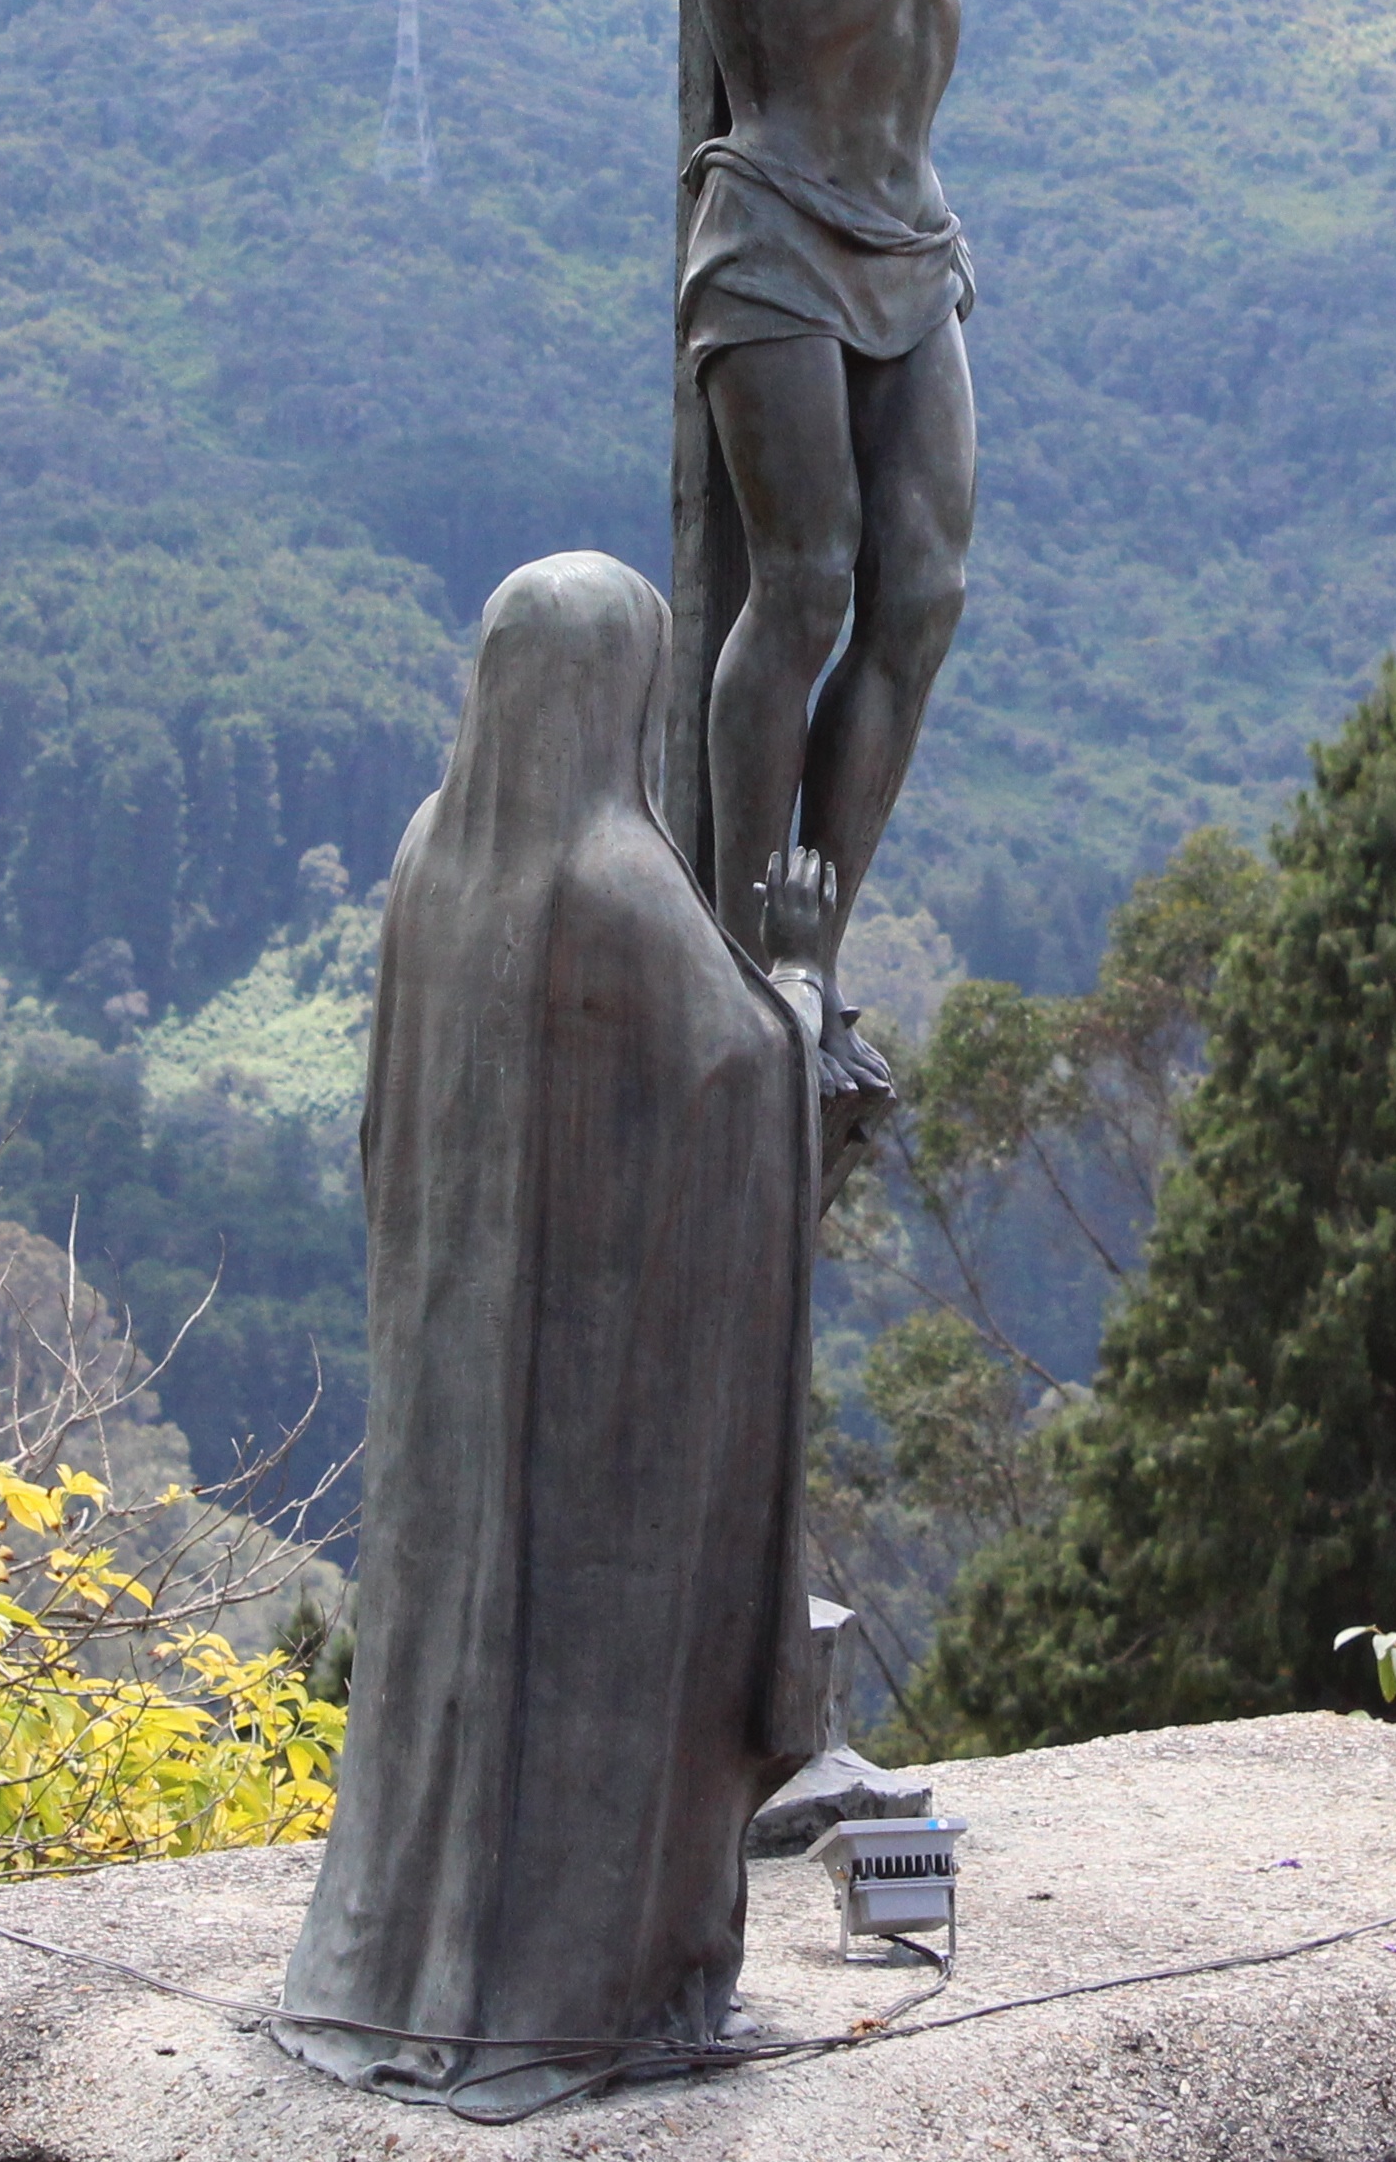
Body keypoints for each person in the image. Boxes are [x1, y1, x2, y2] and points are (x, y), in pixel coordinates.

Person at [277, 0, 1258, 971]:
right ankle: (741, 945)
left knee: (924, 592)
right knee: (804, 581)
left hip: (915, 243)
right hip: (776, 234)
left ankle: (816, 945)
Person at [277, 552, 862, 2118]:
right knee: (586, 1687)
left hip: (451, 1401)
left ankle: (385, 1966)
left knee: (449, 1676)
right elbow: (747, 1090)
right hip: (598, 1433)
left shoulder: (426, 857)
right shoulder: (616, 876)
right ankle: (569, 1989)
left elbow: (384, 1127)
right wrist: (801, 982)